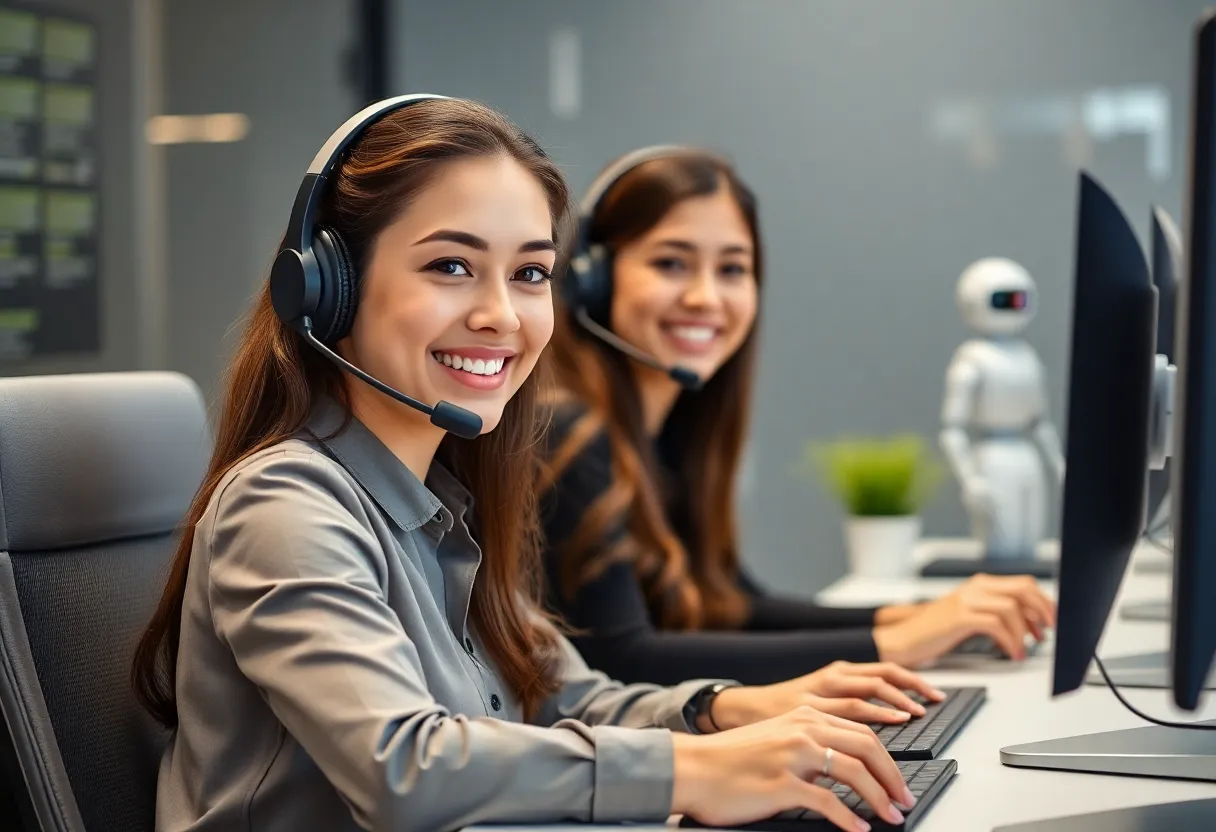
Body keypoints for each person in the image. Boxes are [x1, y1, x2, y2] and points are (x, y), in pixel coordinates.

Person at [130, 97, 917, 832]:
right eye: (450, 266)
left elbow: (566, 696)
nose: (501, 316)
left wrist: (724, 711)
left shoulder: (442, 505)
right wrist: (693, 768)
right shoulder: (285, 505)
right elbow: (403, 769)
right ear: (328, 288)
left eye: (530, 273)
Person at [538, 145, 1058, 690]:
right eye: (671, 263)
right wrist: (895, 645)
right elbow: (620, 659)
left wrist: (909, 616)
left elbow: (732, 605)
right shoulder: (566, 432)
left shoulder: (667, 431)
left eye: (733, 269)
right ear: (590, 278)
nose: (706, 297)